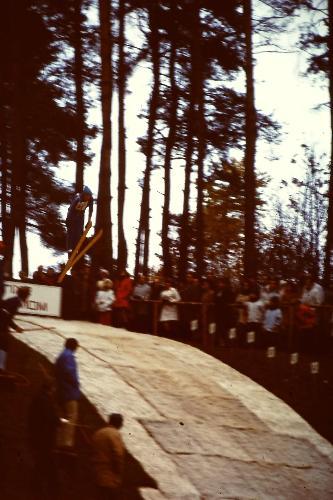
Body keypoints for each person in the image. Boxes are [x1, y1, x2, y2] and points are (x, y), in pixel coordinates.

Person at [28, 380, 60, 499]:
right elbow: (51, 419)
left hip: (36, 438)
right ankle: (47, 488)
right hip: (45, 440)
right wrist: (58, 421)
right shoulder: (47, 402)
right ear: (51, 389)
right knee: (45, 463)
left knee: (42, 463)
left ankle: (40, 486)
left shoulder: (36, 399)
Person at [91, 413, 126, 500]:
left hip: (96, 470)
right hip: (109, 473)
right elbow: (118, 455)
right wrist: (119, 471)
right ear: (119, 423)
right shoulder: (115, 434)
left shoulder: (99, 432)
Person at [55, 338, 80, 448]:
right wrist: (76, 384)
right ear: (73, 346)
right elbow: (70, 373)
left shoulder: (61, 356)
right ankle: (67, 442)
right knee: (71, 416)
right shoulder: (69, 356)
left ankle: (59, 440)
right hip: (69, 392)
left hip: (61, 390)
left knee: (63, 416)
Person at [0, 286, 31, 370]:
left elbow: (7, 317)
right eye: (28, 295)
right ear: (25, 295)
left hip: (2, 325)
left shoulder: (15, 300)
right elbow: (5, 316)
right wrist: (13, 328)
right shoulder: (15, 302)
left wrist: (13, 327)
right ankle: (1, 367)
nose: (28, 296)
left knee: (4, 344)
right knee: (3, 344)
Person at [65, 186, 93, 255]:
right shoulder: (78, 199)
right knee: (71, 231)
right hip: (72, 214)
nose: (88, 198)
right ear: (84, 194)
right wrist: (68, 220)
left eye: (89, 196)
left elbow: (90, 210)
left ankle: (76, 248)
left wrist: (89, 221)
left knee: (79, 231)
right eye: (87, 196)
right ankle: (70, 248)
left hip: (81, 214)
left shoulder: (90, 199)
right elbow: (71, 210)